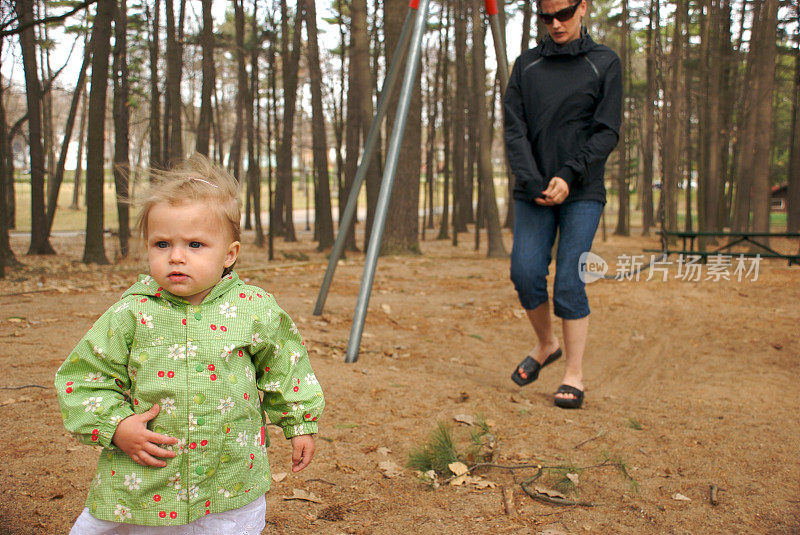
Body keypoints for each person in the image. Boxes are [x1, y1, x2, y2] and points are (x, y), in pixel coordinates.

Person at [55, 154, 325, 533]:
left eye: (195, 244)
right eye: (162, 243)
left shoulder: (252, 309)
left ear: (229, 255)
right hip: (146, 479)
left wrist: (300, 422)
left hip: (228, 473)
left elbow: (285, 366)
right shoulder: (132, 313)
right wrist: (116, 426)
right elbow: (81, 377)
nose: (176, 257)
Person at [504, 0, 622, 409]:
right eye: (546, 16)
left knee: (570, 281)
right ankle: (545, 344)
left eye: (564, 14)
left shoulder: (604, 63)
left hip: (582, 190)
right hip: (533, 189)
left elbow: (606, 132)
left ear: (583, 7)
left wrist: (569, 175)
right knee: (525, 272)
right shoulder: (526, 66)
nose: (555, 24)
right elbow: (514, 130)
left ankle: (574, 374)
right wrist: (535, 180)